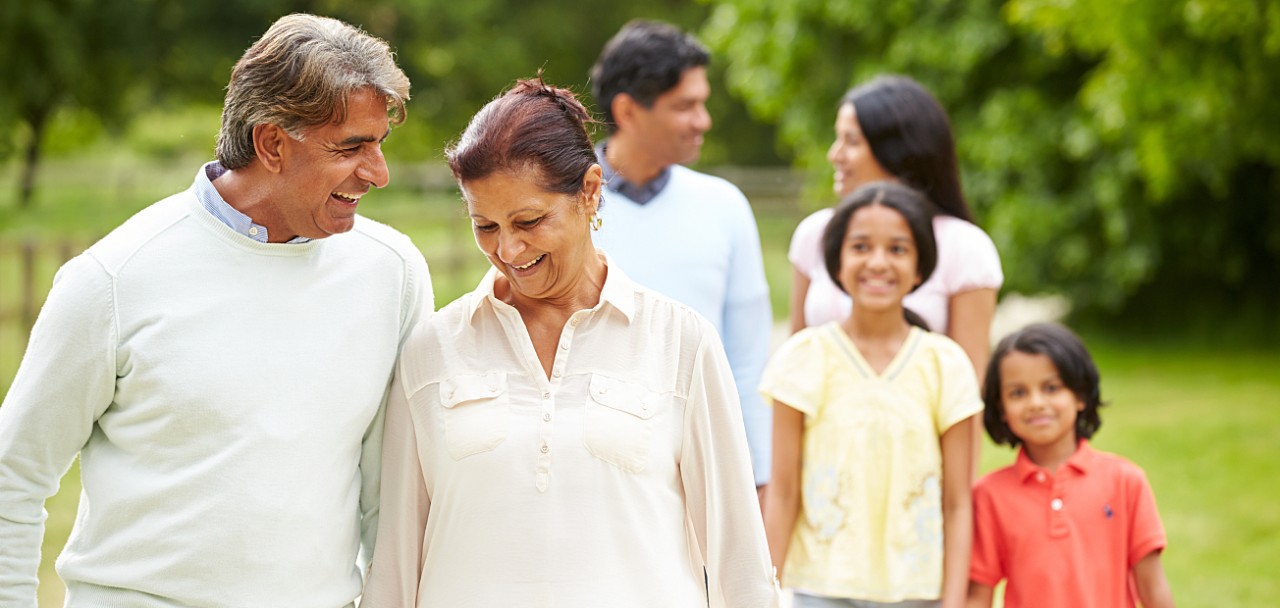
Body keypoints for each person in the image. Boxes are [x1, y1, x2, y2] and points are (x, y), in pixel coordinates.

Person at [0, 14, 431, 606]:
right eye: (350, 147)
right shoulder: (114, 279)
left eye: (379, 144)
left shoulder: (393, 273)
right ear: (272, 144)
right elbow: (12, 478)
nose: (377, 173)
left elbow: (394, 496)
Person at [361, 77, 778, 608]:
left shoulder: (681, 343)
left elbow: (739, 558)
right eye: (484, 225)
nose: (507, 248)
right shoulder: (432, 350)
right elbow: (395, 565)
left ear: (589, 190)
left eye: (529, 221)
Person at [762, 182, 980, 608]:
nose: (878, 262)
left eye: (897, 249)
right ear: (837, 264)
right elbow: (783, 492)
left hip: (918, 590)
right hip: (820, 587)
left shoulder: (945, 365)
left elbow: (958, 502)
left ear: (920, 268)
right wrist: (764, 595)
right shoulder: (803, 359)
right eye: (861, 246)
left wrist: (954, 602)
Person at [588, 20, 774, 495]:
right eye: (685, 106)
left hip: (700, 473)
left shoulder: (725, 206)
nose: (703, 120)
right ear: (628, 110)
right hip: (589, 473)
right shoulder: (559, 203)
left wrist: (757, 479)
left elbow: (748, 359)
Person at [789, 75, 1002, 380]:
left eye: (851, 141)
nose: (834, 154)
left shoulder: (964, 247)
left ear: (900, 152)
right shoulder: (816, 235)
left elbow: (967, 385)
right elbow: (794, 365)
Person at [967, 323, 1175, 608]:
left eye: (1051, 388)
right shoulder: (988, 495)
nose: (1036, 403)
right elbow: (978, 595)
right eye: (1018, 393)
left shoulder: (1126, 482)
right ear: (1001, 409)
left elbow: (1152, 587)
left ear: (1079, 395)